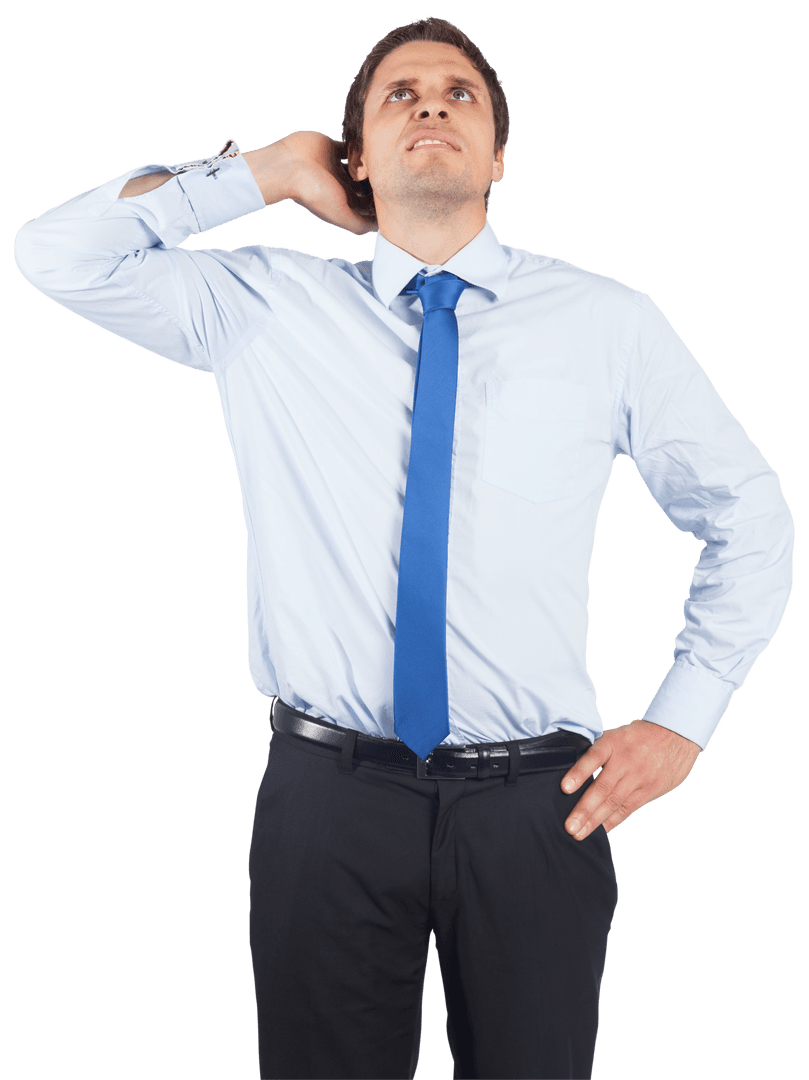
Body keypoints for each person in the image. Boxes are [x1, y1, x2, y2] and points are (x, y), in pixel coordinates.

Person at [13, 14, 794, 1080]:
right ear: (357, 159)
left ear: (498, 157)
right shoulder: (264, 304)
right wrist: (268, 170)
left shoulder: (606, 322)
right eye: (399, 95)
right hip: (325, 796)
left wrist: (681, 720)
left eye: (459, 93)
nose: (431, 102)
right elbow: (55, 253)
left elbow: (746, 514)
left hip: (539, 805)